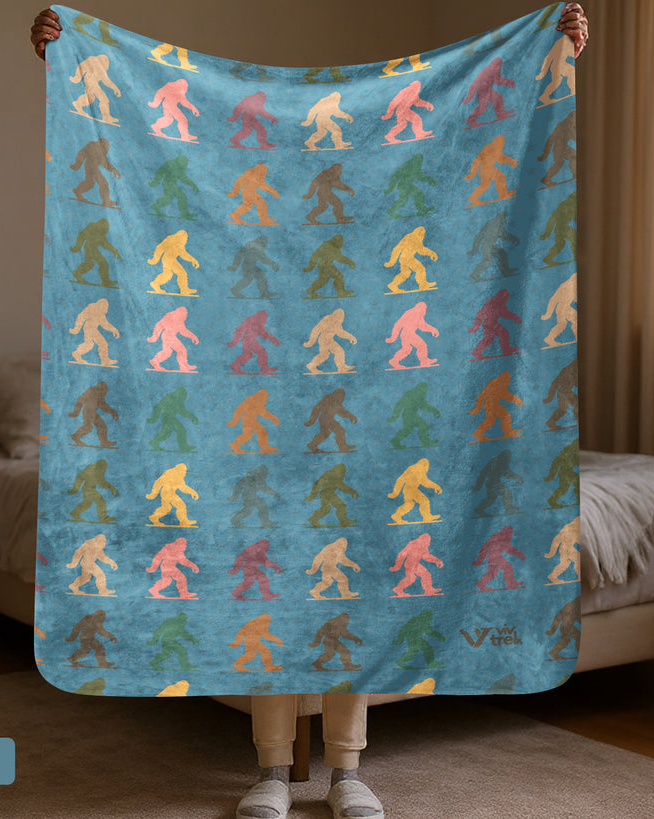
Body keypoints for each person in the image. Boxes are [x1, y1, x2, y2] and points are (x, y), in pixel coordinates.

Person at [30, 5, 589, 818]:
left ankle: (347, 768)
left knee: (354, 580)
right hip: (247, 421)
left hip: (357, 403)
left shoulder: (362, 254)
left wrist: (554, 47)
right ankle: (268, 769)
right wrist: (70, 46)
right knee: (266, 587)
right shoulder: (236, 277)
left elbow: (460, 149)